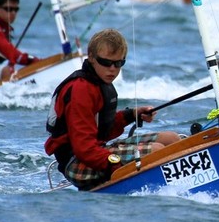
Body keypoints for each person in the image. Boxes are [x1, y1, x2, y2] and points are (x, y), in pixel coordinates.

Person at [44, 28, 181, 191]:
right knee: (156, 151)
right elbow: (84, 149)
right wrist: (113, 165)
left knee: (172, 139)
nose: (113, 69)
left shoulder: (99, 82)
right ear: (92, 58)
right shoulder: (80, 90)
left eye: (119, 63)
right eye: (106, 62)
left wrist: (132, 115)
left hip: (96, 153)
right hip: (77, 163)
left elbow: (101, 128)